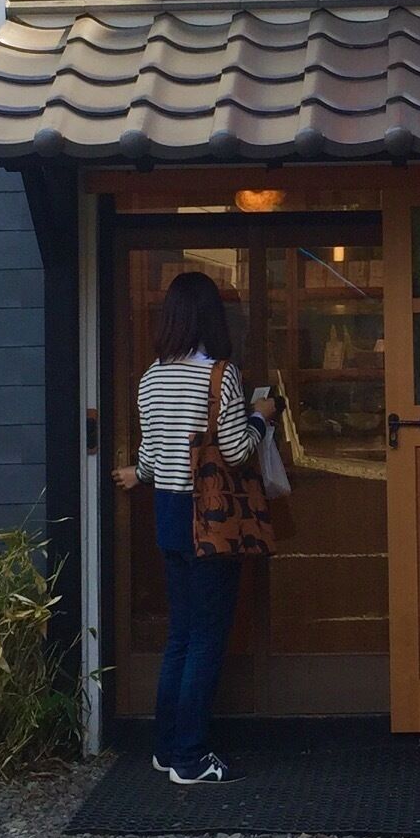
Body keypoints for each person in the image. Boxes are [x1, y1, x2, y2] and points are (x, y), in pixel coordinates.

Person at [112, 269, 274, 786]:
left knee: (180, 634)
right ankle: (190, 756)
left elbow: (155, 460)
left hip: (168, 510)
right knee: (207, 637)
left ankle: (166, 747)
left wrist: (135, 473)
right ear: (212, 318)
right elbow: (235, 451)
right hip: (213, 516)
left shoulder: (152, 376)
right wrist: (262, 416)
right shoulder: (219, 375)